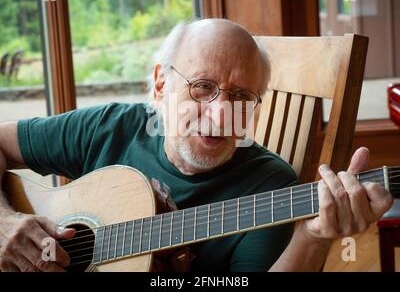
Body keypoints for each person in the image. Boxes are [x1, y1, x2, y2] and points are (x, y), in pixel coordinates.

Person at [0, 19, 393, 272]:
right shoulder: (109, 127)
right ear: (159, 85)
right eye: (202, 87)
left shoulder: (271, 187)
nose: (222, 114)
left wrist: (312, 238)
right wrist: (4, 222)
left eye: (241, 96)